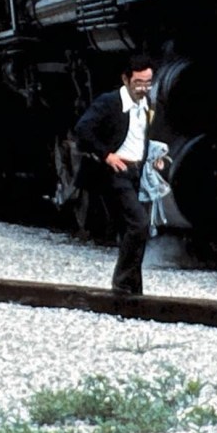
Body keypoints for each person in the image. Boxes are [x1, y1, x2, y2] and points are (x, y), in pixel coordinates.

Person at [73, 54, 159, 296]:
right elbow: (83, 129)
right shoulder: (109, 102)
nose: (143, 88)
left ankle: (133, 287)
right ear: (125, 79)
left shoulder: (147, 104)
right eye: (139, 82)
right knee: (139, 224)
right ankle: (122, 283)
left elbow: (142, 136)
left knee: (129, 229)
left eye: (148, 82)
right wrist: (107, 155)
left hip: (136, 172)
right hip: (114, 173)